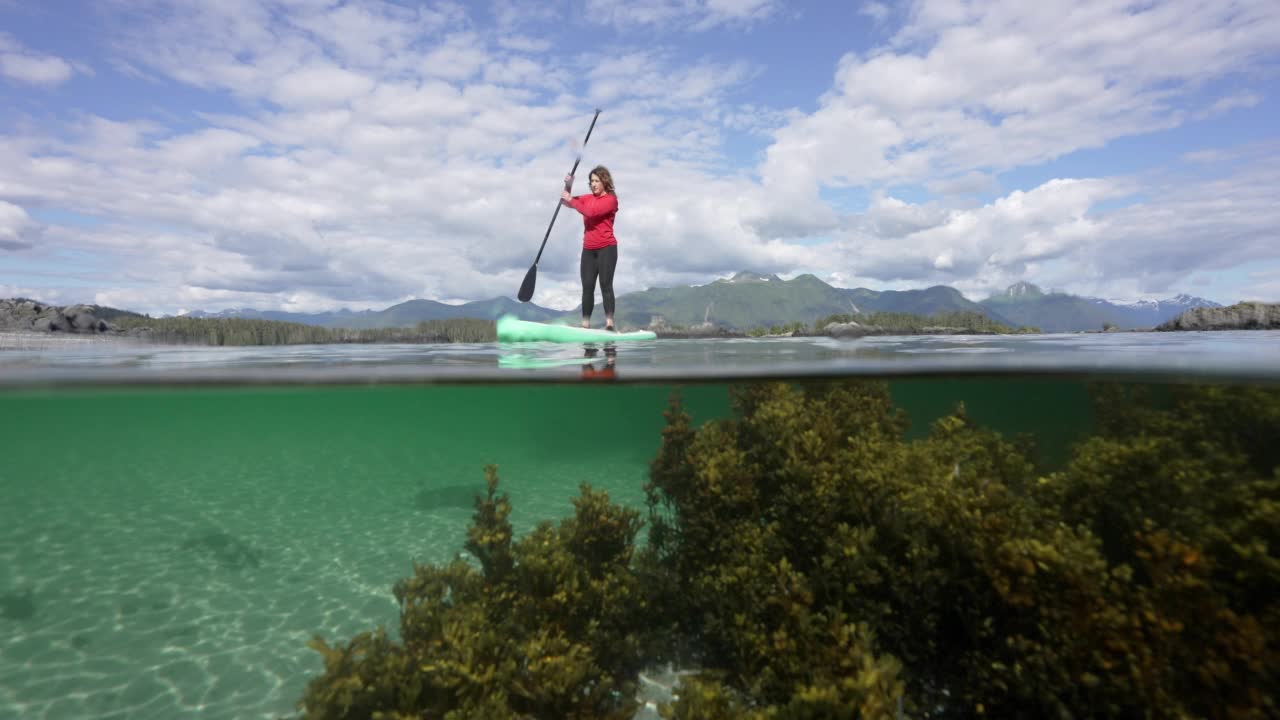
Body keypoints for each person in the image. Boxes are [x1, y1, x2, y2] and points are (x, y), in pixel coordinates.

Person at [561, 166, 619, 330]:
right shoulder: (587, 197)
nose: (593, 184)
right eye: (591, 181)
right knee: (587, 287)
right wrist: (568, 186)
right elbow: (565, 200)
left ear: (604, 181)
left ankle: (609, 324)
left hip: (607, 247)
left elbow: (591, 212)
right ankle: (585, 325)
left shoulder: (611, 200)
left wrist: (571, 199)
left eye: (596, 181)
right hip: (588, 249)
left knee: (605, 285)